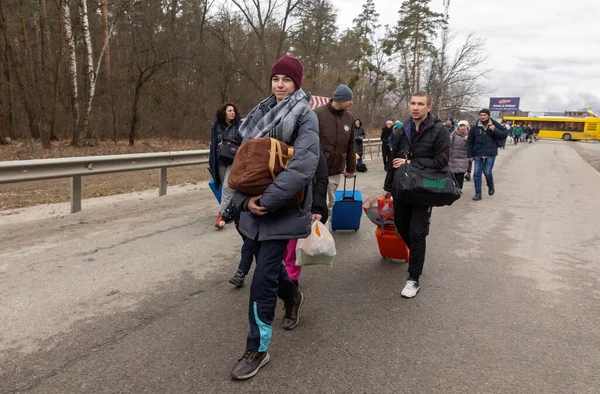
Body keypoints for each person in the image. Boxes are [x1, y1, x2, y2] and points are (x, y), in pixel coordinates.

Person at [230, 55, 319, 380]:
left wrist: (267, 200)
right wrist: (240, 201)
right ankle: (293, 296)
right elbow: (245, 164)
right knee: (271, 269)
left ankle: (258, 348)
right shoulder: (259, 114)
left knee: (263, 278)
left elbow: (304, 165)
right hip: (254, 208)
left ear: (297, 83)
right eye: (276, 79)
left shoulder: (306, 117)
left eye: (287, 79)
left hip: (284, 208)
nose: (280, 84)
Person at [383, 91, 450, 299]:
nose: (415, 107)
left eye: (420, 104)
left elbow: (441, 162)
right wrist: (387, 187)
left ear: (428, 108)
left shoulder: (439, 130)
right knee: (402, 228)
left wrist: (412, 164)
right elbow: (394, 160)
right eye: (412, 103)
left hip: (424, 190)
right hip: (402, 188)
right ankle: (417, 258)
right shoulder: (403, 129)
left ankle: (413, 279)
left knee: (417, 233)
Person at [283, 149, 329, 287]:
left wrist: (317, 208)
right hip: (275, 203)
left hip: (301, 205)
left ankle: (291, 279)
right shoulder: (272, 142)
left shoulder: (313, 146)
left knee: (293, 246)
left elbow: (321, 179)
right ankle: (281, 272)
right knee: (279, 246)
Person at [314, 85, 356, 219]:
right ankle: (318, 232)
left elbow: (351, 145)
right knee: (318, 203)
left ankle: (325, 226)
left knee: (331, 202)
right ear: (340, 99)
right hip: (317, 170)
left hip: (336, 170)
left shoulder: (349, 118)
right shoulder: (317, 114)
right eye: (349, 99)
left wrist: (351, 168)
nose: (351, 102)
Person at [209, 103, 242, 228]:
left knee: (228, 187)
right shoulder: (216, 126)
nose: (232, 112)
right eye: (229, 111)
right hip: (221, 160)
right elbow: (213, 144)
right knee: (225, 188)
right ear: (224, 113)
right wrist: (211, 162)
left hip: (235, 160)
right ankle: (233, 210)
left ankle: (221, 215)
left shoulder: (239, 125)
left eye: (233, 110)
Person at [467, 109, 508, 201]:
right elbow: (470, 142)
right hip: (478, 153)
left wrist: (495, 130)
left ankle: (490, 185)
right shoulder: (475, 127)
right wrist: (470, 155)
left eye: (484, 115)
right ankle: (478, 194)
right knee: (477, 174)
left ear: (488, 116)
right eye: (481, 115)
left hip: (490, 153)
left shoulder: (494, 124)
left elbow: (504, 134)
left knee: (487, 172)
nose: (482, 117)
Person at [448, 120, 470, 189]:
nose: (462, 128)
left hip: (464, 158)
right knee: (452, 173)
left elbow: (472, 146)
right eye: (461, 126)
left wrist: (468, 140)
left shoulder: (470, 135)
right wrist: (448, 155)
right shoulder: (454, 134)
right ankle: (452, 188)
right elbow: (449, 144)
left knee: (460, 173)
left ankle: (459, 188)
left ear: (467, 127)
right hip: (453, 157)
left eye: (464, 126)